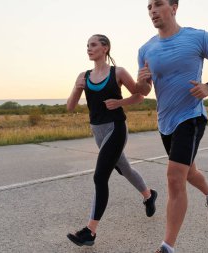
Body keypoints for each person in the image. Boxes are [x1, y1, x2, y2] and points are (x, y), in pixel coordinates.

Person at [136, 1, 208, 252]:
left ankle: (167, 246)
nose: (152, 11)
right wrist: (142, 83)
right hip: (165, 121)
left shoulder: (199, 38)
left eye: (158, 5)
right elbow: (146, 90)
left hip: (191, 117)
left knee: (173, 178)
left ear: (174, 7)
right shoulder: (145, 49)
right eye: (149, 7)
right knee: (189, 172)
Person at [66, 34, 158, 247]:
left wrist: (120, 102)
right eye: (87, 45)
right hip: (97, 131)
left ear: (105, 48)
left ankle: (90, 231)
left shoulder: (118, 72)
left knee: (100, 176)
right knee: (124, 168)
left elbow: (139, 95)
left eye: (93, 44)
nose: (89, 48)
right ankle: (148, 194)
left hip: (116, 128)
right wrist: (76, 88)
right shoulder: (84, 75)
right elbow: (70, 107)